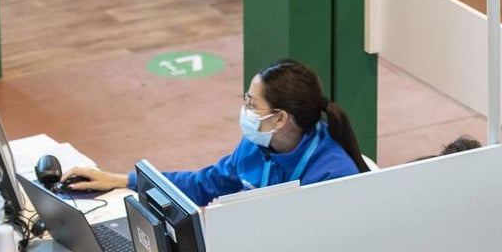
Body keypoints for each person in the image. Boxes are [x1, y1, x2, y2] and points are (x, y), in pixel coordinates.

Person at [60, 59, 369, 207]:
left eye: (251, 102)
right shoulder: (255, 147)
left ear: (279, 119)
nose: (244, 109)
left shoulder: (332, 175)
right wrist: (122, 180)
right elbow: (201, 184)